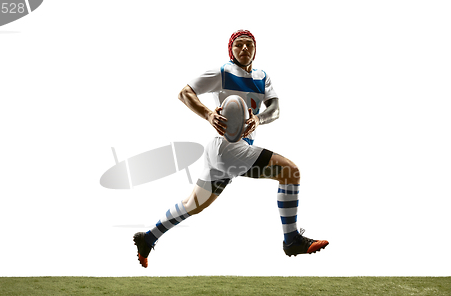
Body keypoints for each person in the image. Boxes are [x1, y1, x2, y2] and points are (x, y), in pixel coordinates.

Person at [133, 30, 328, 268]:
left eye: (249, 45)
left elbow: (275, 109)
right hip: (229, 148)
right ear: (230, 50)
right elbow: (184, 93)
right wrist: (207, 114)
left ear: (255, 49)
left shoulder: (262, 76)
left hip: (220, 153)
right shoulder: (222, 72)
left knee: (194, 204)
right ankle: (292, 240)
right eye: (238, 45)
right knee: (290, 172)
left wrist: (258, 120)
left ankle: (148, 238)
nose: (244, 48)